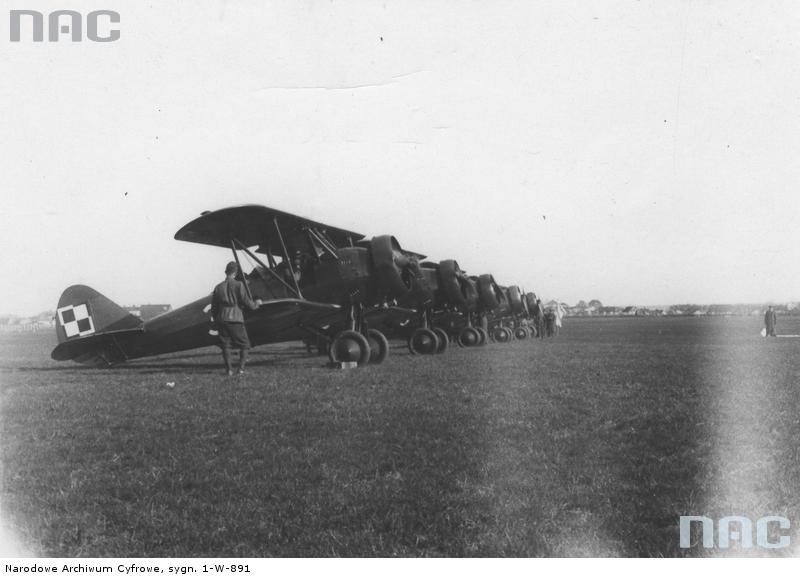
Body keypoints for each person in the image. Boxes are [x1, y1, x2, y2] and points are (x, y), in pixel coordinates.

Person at [210, 261, 261, 376]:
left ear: (226, 272)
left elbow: (214, 308)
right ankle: (241, 369)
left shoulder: (218, 287)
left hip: (221, 318)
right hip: (236, 318)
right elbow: (246, 301)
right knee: (245, 345)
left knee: (226, 345)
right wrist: (256, 304)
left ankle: (229, 370)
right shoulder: (239, 285)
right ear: (235, 273)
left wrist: (217, 318)